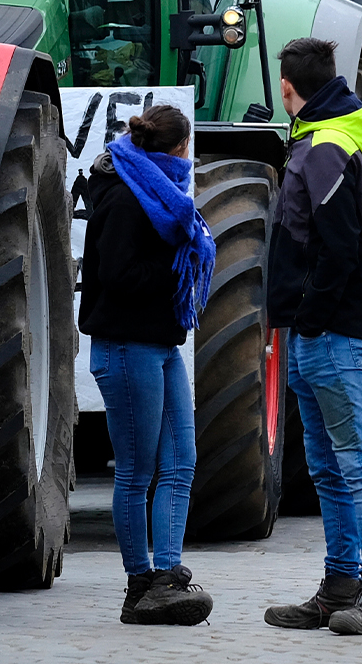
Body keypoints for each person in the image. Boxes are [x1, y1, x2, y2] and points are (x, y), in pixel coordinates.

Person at [261, 38, 362, 637]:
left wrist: (310, 317)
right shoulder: (317, 141)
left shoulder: (326, 149)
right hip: (313, 333)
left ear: (288, 86)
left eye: (279, 82)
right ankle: (339, 585)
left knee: (356, 463)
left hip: (332, 334)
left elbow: (341, 248)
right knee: (327, 465)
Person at [78, 104, 216, 625]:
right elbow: (117, 275)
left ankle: (168, 576)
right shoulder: (123, 195)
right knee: (136, 472)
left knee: (181, 461)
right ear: (181, 149)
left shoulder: (162, 194)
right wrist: (178, 263)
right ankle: (140, 586)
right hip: (124, 345)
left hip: (160, 343)